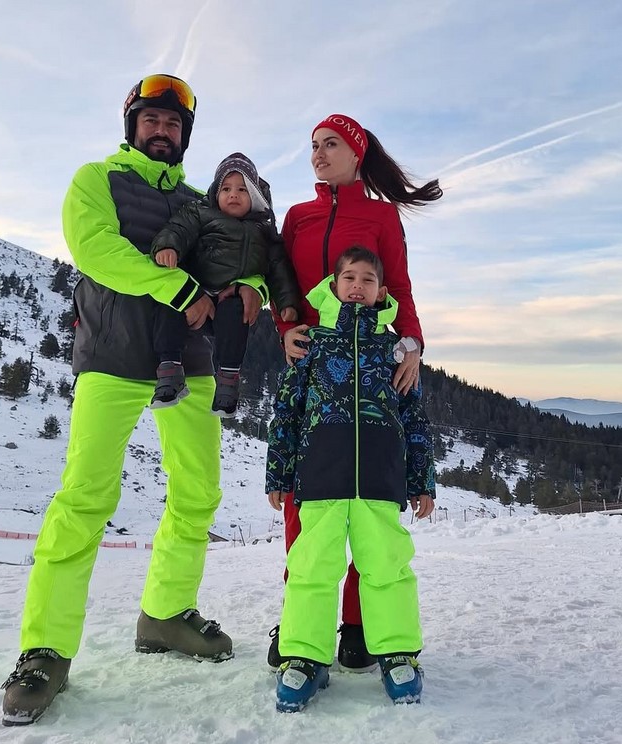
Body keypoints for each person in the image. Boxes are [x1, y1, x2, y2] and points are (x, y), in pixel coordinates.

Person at [0, 74, 245, 727]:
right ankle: (45, 650)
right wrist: (179, 289)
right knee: (84, 499)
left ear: (184, 135)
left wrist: (252, 288)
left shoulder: (199, 202)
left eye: (173, 123)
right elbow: (97, 251)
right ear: (132, 124)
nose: (162, 130)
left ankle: (165, 613)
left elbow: (235, 257)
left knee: (197, 494)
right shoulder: (97, 180)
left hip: (189, 365)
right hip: (111, 359)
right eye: (152, 120)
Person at [267, 113, 441, 672]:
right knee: (307, 510)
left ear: (356, 153)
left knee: (367, 511)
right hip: (314, 360)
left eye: (331, 144)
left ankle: (359, 623)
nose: (318, 154)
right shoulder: (299, 216)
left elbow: (400, 284)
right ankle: (301, 622)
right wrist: (284, 327)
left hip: (371, 360)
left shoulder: (382, 215)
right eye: (314, 145)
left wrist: (411, 345)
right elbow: (283, 285)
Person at [266, 246, 436, 711]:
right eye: (349, 278)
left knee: (387, 566)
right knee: (311, 568)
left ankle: (397, 653)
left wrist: (422, 480)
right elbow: (287, 411)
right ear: (334, 285)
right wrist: (278, 471)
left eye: (367, 279)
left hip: (380, 479)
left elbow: (414, 418)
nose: (357, 285)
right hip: (320, 476)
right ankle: (304, 657)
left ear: (381, 292)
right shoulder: (311, 343)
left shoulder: (395, 351)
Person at [149, 152, 300, 416]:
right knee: (171, 302)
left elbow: (279, 269)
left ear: (254, 195)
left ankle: (228, 382)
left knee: (236, 312)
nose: (233, 195)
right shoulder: (201, 212)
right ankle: (169, 369)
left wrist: (287, 302)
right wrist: (168, 246)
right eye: (226, 189)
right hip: (196, 291)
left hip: (228, 300)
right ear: (216, 192)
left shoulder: (263, 231)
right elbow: (179, 228)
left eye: (242, 190)